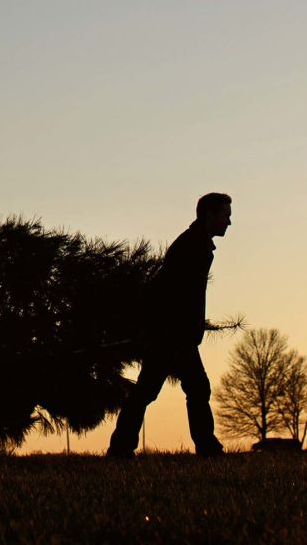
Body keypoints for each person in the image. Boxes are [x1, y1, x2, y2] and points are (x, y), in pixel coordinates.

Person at [107, 192, 233, 458]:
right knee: (183, 388)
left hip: (175, 334)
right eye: (225, 215)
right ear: (209, 215)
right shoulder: (191, 246)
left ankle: (121, 447)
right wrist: (172, 329)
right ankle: (206, 447)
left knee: (156, 390)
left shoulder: (196, 244)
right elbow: (167, 290)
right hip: (173, 335)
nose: (229, 222)